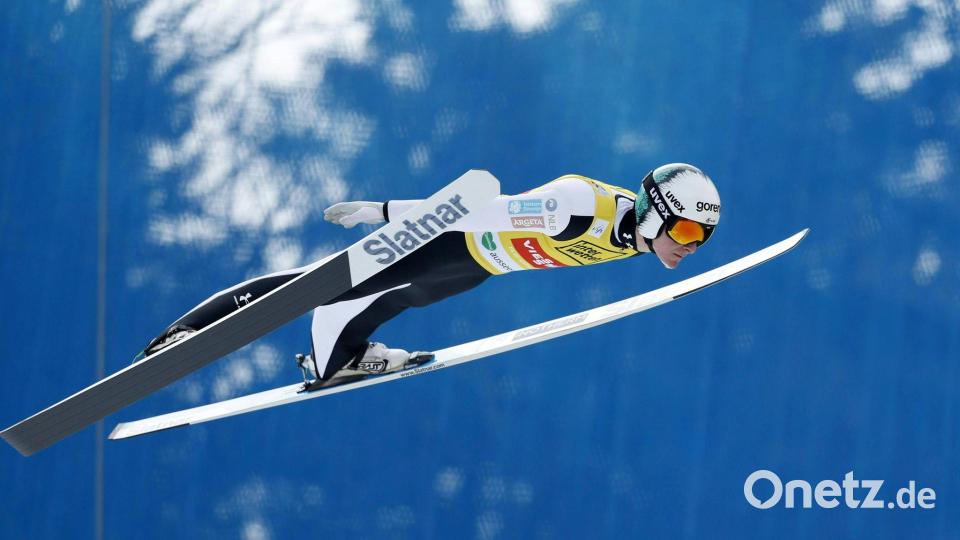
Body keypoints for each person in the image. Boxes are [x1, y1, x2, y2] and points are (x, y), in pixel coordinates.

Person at [137, 163, 721, 384]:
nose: (691, 248)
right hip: (452, 240)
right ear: (655, 212)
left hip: (480, 267)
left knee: (397, 302)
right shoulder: (578, 208)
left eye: (703, 239)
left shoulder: (639, 241)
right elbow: (481, 210)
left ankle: (338, 358)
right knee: (316, 284)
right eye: (689, 232)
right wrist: (384, 212)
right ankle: (185, 334)